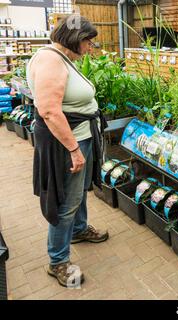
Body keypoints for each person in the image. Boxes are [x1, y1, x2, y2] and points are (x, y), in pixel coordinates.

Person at [26, 15, 109, 287]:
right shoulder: (50, 60)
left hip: (80, 137)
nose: (89, 48)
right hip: (67, 143)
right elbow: (49, 110)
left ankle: (80, 229)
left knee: (77, 194)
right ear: (75, 38)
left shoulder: (61, 58)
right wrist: (74, 149)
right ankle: (58, 261)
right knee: (66, 202)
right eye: (88, 41)